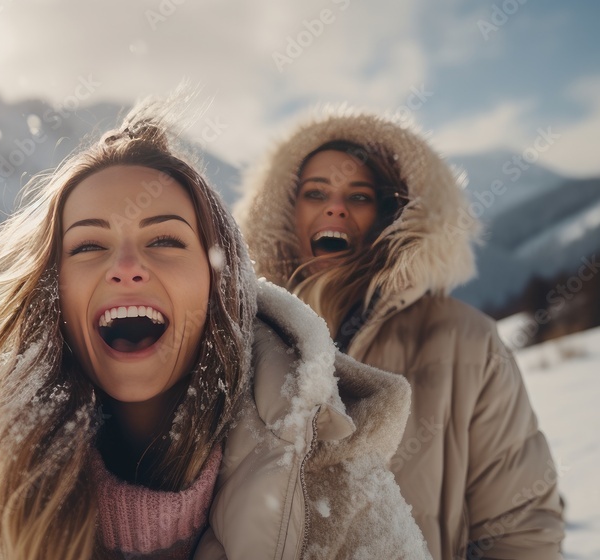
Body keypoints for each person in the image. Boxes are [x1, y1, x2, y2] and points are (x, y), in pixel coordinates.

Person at [0, 99, 429, 559]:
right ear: (55, 295)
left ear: (217, 285)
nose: (126, 266)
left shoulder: (337, 496)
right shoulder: (4, 502)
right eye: (88, 246)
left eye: (166, 241)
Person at [236, 108, 565, 559]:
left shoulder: (466, 340)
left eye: (360, 195)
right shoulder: (243, 338)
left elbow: (521, 527)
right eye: (316, 192)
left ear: (390, 214)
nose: (336, 206)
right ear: (284, 212)